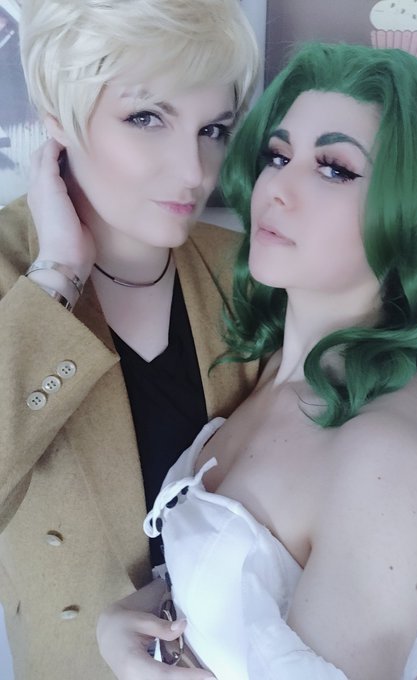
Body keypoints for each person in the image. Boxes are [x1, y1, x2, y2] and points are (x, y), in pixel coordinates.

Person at [96, 41, 417, 680]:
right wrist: (129, 618)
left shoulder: (388, 459)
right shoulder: (269, 371)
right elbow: (241, 588)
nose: (277, 189)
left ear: (413, 215)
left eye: (334, 168)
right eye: (278, 156)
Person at [0, 1, 260, 678]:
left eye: (213, 129)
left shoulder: (244, 271)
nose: (194, 170)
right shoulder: (10, 268)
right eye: (147, 117)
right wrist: (58, 273)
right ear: (57, 116)